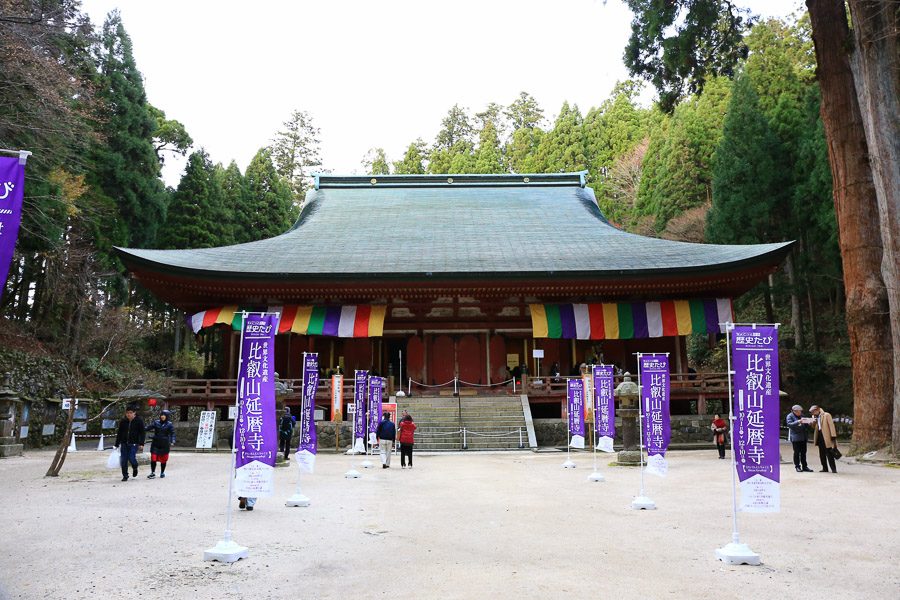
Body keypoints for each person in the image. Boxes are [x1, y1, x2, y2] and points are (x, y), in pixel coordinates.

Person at [114, 405, 145, 482]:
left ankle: (135, 467)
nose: (128, 414)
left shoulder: (139, 421)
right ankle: (125, 475)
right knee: (123, 460)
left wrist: (141, 443)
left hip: (134, 443)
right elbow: (119, 433)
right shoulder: (123, 421)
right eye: (127, 413)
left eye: (130, 413)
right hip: (124, 443)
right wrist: (117, 444)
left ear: (134, 413)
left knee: (131, 457)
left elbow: (142, 433)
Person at [145, 409, 175, 479]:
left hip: (164, 444)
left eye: (164, 415)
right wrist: (141, 428)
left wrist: (173, 440)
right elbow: (148, 428)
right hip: (156, 443)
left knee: (163, 459)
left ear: (167, 416)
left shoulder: (169, 424)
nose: (162, 416)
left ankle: (162, 472)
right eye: (162, 415)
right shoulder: (156, 422)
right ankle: (153, 472)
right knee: (153, 458)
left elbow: (172, 433)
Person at [810, 405, 838, 473]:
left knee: (829, 453)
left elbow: (831, 425)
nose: (813, 413)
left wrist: (833, 435)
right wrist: (813, 421)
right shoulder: (814, 417)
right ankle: (824, 468)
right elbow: (813, 427)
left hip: (826, 435)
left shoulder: (826, 415)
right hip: (819, 435)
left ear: (818, 409)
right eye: (811, 412)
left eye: (813, 411)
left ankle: (833, 469)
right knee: (821, 453)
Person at [785, 404, 813, 472]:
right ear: (794, 411)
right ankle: (797, 466)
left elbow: (805, 425)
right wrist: (798, 421)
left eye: (800, 411)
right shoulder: (790, 416)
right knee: (797, 452)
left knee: (803, 452)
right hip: (795, 437)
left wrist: (809, 423)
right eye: (799, 411)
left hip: (803, 437)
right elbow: (789, 424)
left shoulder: (802, 415)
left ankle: (805, 466)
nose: (800, 413)